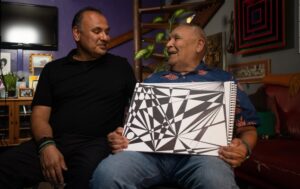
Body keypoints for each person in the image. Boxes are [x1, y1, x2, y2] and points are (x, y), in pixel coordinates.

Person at [90, 23, 259, 189]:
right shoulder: (152, 80)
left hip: (203, 159)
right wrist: (120, 136)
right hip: (148, 157)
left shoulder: (224, 79)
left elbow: (248, 129)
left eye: (175, 38)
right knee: (107, 174)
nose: (168, 44)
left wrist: (244, 148)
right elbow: (131, 128)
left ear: (199, 44)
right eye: (169, 39)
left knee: (216, 182)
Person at [0, 7, 136, 189]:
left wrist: (124, 131)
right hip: (54, 140)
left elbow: (139, 108)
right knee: (5, 164)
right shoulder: (53, 70)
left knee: (86, 177)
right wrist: (47, 146)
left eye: (107, 32)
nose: (105, 37)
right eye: (97, 31)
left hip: (98, 143)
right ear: (77, 33)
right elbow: (39, 116)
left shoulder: (120, 67)